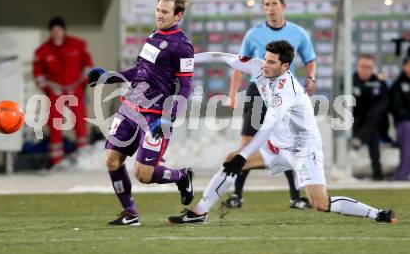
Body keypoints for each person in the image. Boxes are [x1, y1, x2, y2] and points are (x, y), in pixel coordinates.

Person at [168, 41, 397, 224]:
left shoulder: (286, 90)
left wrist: (244, 155)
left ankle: (377, 214)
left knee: (320, 203)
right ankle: (199, 213)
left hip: (304, 149)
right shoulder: (258, 66)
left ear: (285, 67)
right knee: (230, 159)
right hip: (279, 144)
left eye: (271, 62)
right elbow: (222, 58)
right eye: (265, 59)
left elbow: (267, 125)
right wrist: (186, 60)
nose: (265, 65)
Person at [87, 0, 194, 226]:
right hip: (131, 107)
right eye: (158, 10)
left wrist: (169, 117)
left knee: (144, 175)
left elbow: (186, 87)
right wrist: (110, 77)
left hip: (156, 115)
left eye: (165, 12)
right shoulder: (153, 37)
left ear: (177, 16)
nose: (159, 15)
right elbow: (139, 72)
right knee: (112, 160)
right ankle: (130, 213)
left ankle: (181, 176)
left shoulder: (182, 46)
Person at [224, 0, 317, 209]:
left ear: (283, 6)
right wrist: (232, 95)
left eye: (274, 3)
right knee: (247, 145)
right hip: (257, 93)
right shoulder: (253, 34)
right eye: (266, 4)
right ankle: (236, 196)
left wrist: (311, 77)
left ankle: (296, 197)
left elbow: (310, 59)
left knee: (286, 144)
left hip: (285, 96)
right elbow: (239, 67)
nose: (270, 8)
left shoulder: (298, 33)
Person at [33, 16, 93, 167]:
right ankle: (56, 161)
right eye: (53, 30)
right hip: (55, 92)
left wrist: (83, 85)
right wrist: (47, 88)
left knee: (80, 123)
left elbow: (87, 66)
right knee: (55, 125)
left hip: (75, 89)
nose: (56, 33)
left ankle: (84, 158)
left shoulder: (78, 45)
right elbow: (38, 73)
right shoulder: (43, 51)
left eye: (59, 30)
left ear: (64, 30)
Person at [352, 54, 388, 180]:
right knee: (371, 125)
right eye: (363, 66)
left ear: (373, 68)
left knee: (374, 118)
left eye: (369, 67)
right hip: (354, 123)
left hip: (375, 123)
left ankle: (360, 139)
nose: (365, 70)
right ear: (357, 67)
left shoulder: (379, 82)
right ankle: (377, 173)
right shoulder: (349, 81)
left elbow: (384, 104)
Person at [389, 57, 410, 180]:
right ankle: (404, 171)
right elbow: (396, 107)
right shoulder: (398, 85)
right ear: (405, 67)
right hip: (403, 123)